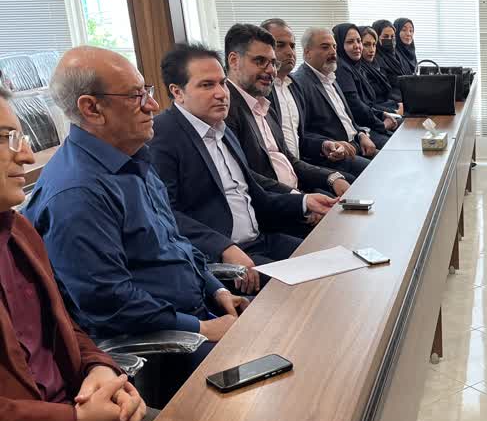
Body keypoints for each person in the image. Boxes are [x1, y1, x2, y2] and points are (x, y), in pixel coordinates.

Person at [0, 85, 154, 421]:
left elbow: (67, 325)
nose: (26, 155)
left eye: (21, 137)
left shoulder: (18, 230)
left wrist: (100, 371)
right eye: (5, 139)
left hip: (79, 419)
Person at [24, 47, 246, 346]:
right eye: (135, 96)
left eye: (147, 91)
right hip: (162, 344)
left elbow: (175, 244)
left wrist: (217, 290)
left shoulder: (132, 156)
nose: (153, 105)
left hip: (199, 312)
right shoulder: (76, 194)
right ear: (91, 108)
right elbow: (111, 304)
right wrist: (202, 328)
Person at [152, 42, 336, 279]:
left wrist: (304, 202)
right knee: (311, 284)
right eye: (207, 85)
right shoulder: (162, 135)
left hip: (260, 241)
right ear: (177, 92)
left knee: (329, 260)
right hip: (219, 258)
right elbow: (165, 213)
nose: (221, 93)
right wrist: (223, 247)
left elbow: (256, 196)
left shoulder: (223, 130)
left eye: (222, 83)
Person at [224, 23, 353, 198]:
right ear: (234, 61)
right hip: (275, 203)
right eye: (260, 61)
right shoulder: (225, 109)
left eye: (272, 63)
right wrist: (301, 201)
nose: (271, 70)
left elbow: (288, 157)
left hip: (295, 189)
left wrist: (331, 177)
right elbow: (246, 177)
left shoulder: (266, 105)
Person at [292, 27, 383, 166]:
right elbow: (303, 133)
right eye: (325, 47)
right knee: (382, 169)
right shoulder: (299, 83)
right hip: (334, 154)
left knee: (393, 158)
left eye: (334, 46)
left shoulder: (330, 76)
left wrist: (361, 134)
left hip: (356, 143)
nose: (333, 52)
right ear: (307, 52)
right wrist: (329, 144)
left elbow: (346, 118)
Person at [331, 22, 397, 149]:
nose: (357, 46)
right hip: (359, 130)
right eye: (350, 42)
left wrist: (382, 115)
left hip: (368, 123)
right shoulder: (342, 69)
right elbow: (356, 107)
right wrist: (381, 124)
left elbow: (367, 103)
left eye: (358, 41)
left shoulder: (355, 67)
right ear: (339, 45)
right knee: (394, 145)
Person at [356, 26, 401, 113]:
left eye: (374, 45)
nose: (372, 50)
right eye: (366, 45)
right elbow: (367, 105)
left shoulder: (375, 65)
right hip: (379, 113)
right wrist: (395, 112)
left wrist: (398, 105)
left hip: (388, 107)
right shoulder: (359, 70)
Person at [372, 19, 405, 102]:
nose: (390, 39)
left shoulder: (397, 56)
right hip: (392, 102)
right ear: (376, 37)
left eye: (392, 36)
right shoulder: (375, 60)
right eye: (385, 37)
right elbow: (385, 90)